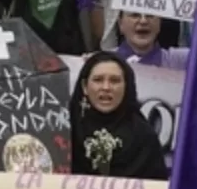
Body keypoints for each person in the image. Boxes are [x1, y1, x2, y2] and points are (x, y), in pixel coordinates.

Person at [70, 52, 167, 180]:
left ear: (126, 86)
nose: (106, 87)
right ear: (85, 87)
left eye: (115, 81)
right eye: (98, 80)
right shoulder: (67, 129)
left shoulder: (144, 137)